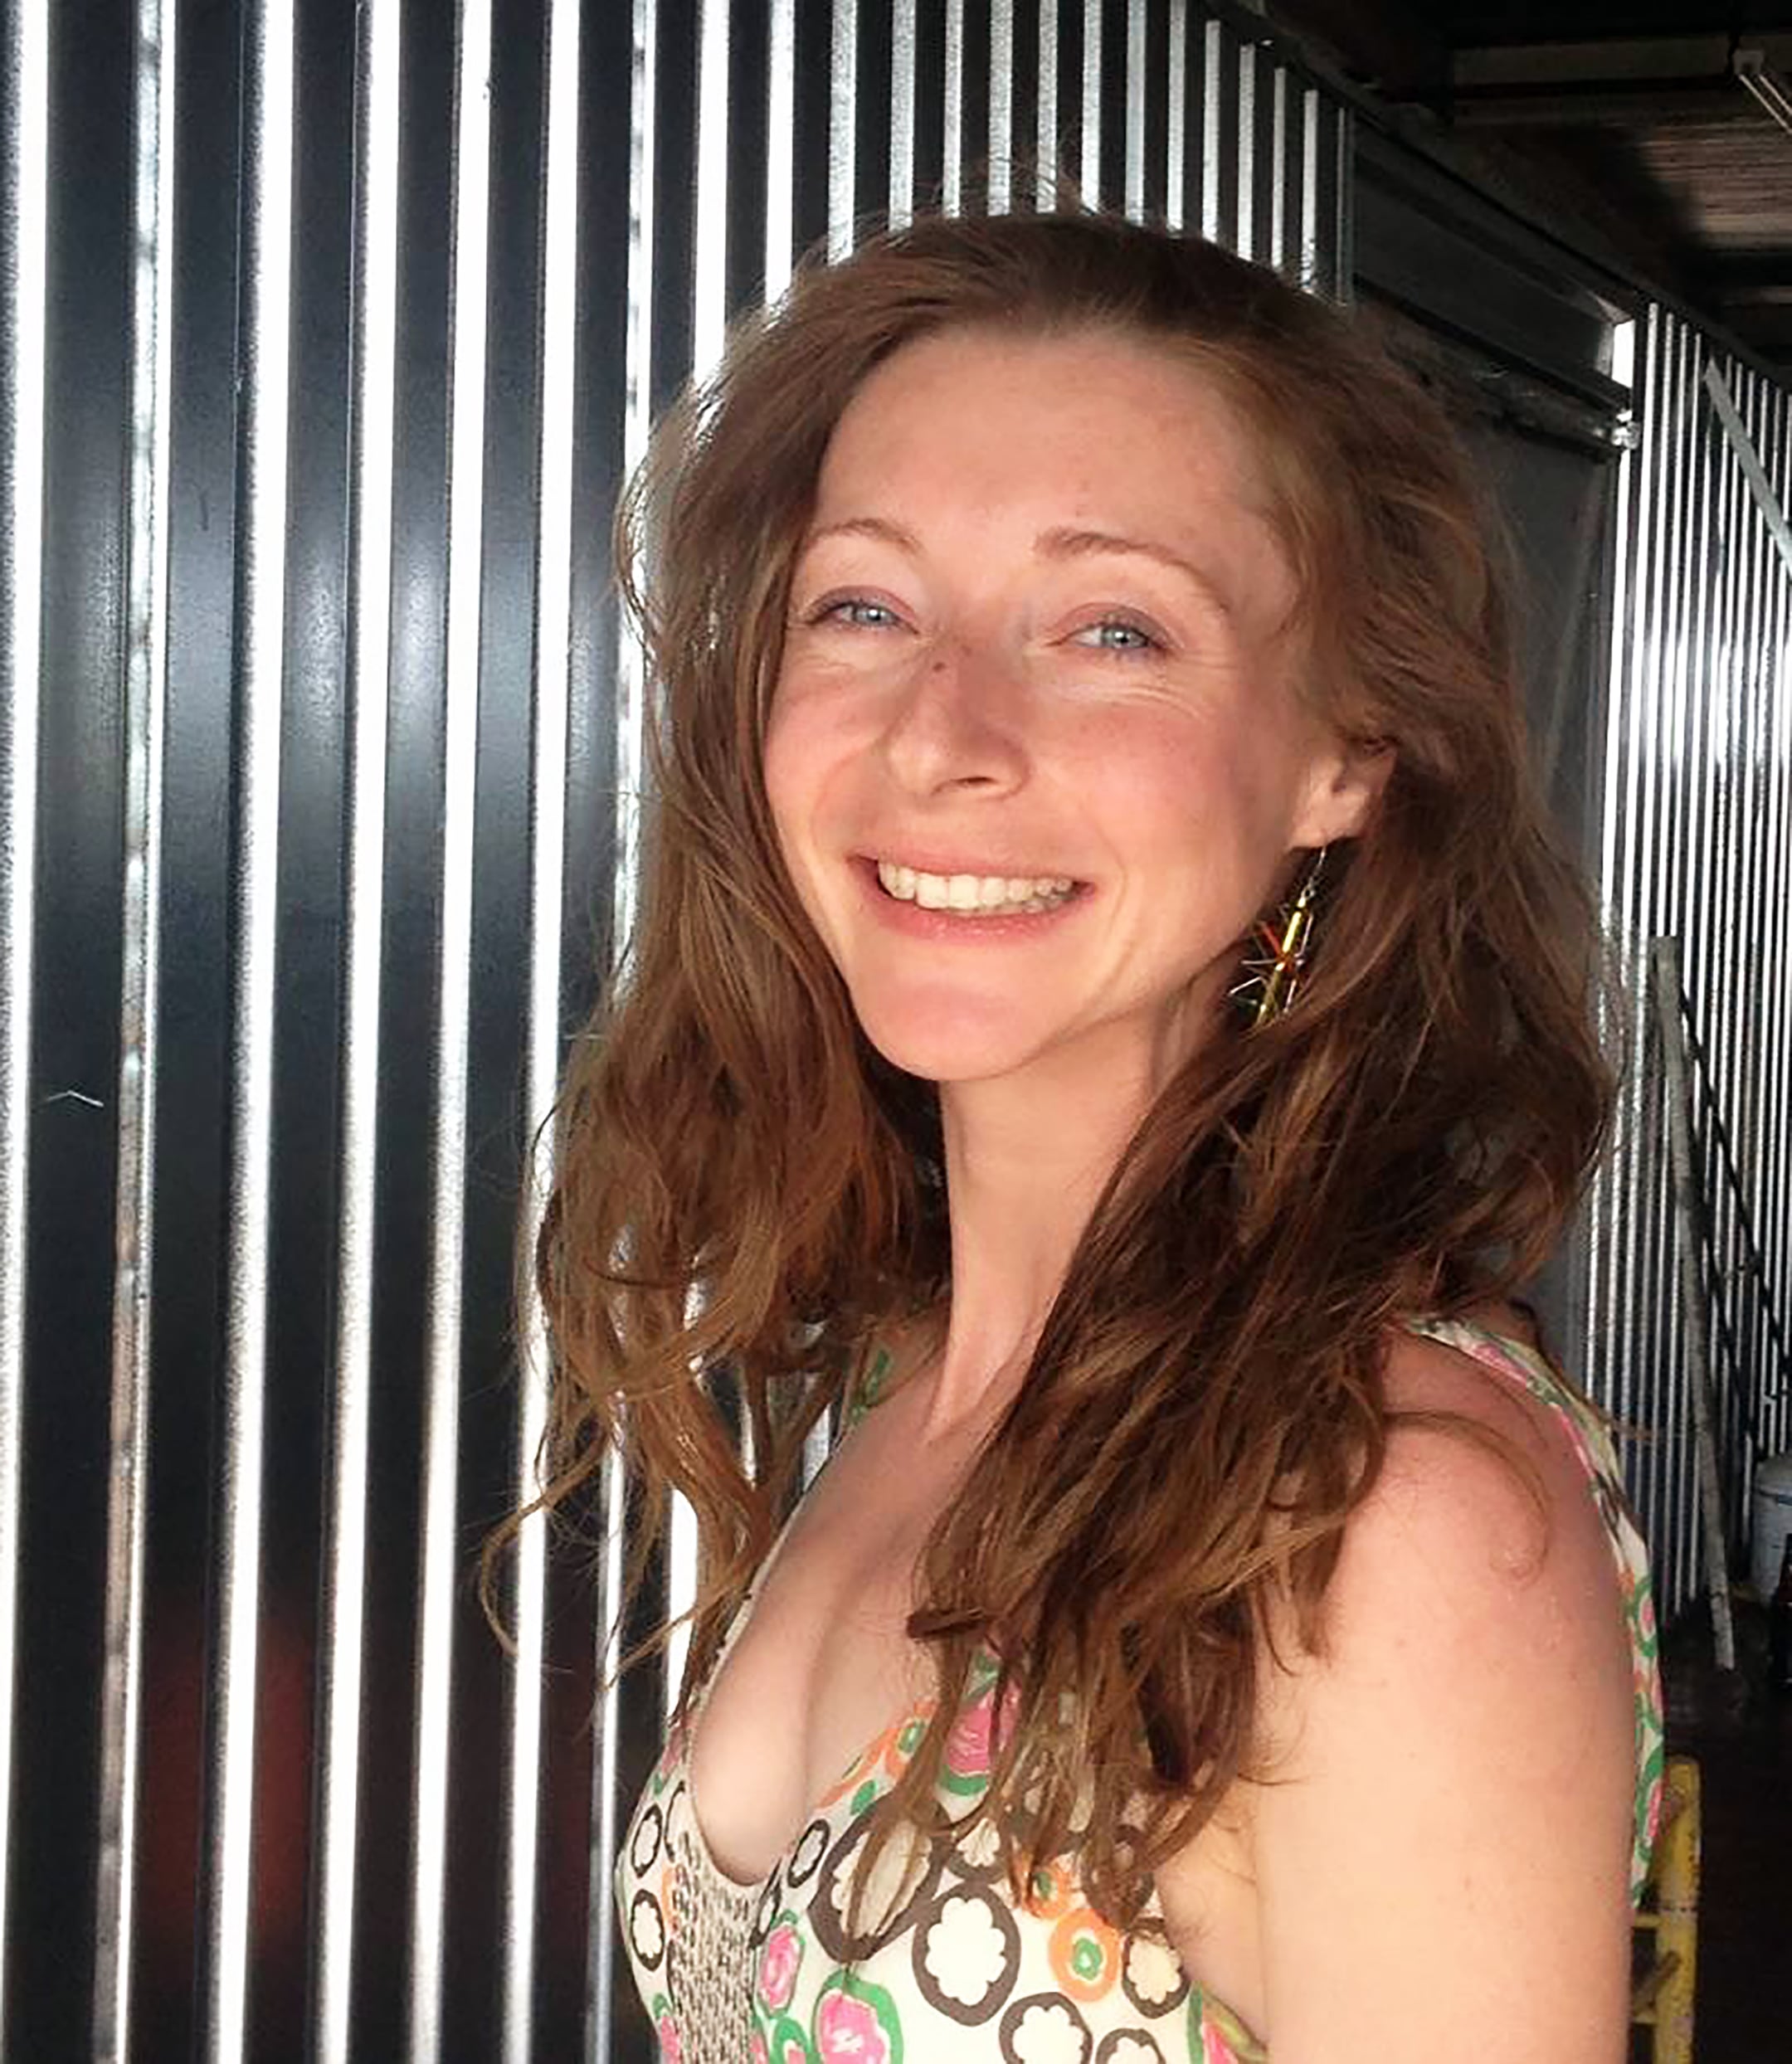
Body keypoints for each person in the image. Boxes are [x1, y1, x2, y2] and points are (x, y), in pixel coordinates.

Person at [532, 208, 1663, 2062]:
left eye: (1112, 628)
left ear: (1346, 757)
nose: (944, 735)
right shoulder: (911, 1375)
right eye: (865, 606)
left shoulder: (1389, 1520)